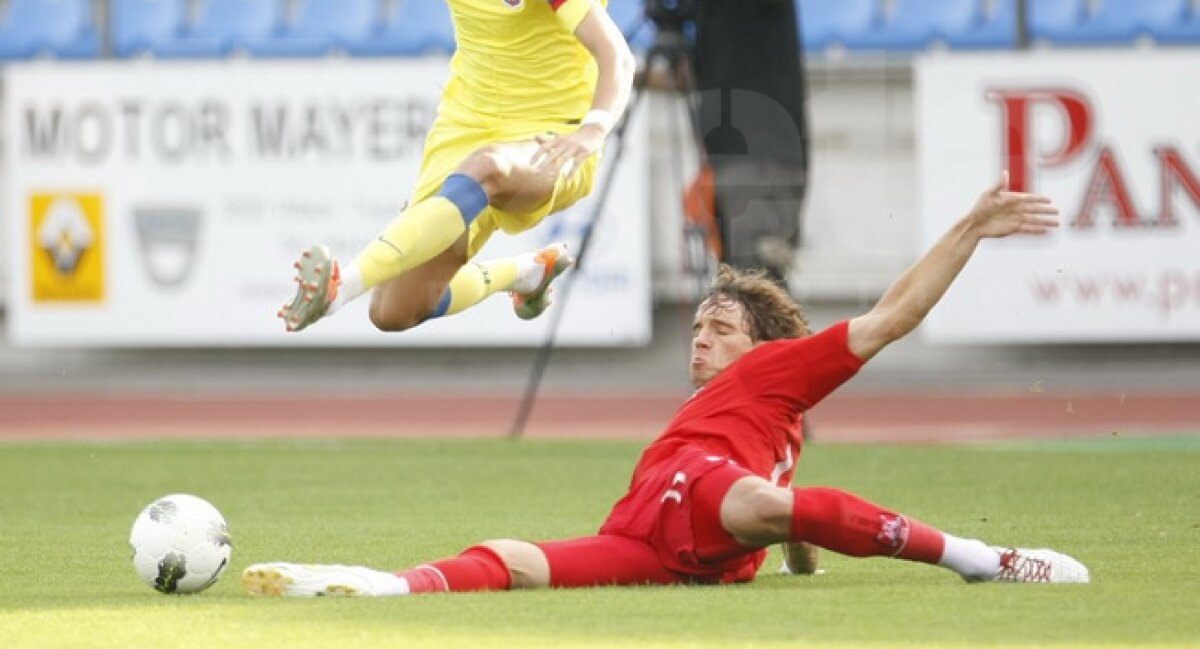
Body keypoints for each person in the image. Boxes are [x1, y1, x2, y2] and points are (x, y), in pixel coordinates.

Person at [240, 173, 1090, 598]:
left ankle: (987, 560)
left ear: (765, 345)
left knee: (758, 501)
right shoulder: (751, 414)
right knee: (518, 560)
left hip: (709, 504)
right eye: (697, 326)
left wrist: (968, 228)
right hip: (652, 533)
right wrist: (801, 563)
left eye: (720, 325)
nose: (701, 336)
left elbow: (892, 315)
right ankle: (383, 585)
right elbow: (788, 495)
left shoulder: (772, 374)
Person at [156, 0, 636, 334]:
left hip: (552, 137)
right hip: (466, 126)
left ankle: (340, 287)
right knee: (393, 312)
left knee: (490, 167)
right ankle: (527, 271)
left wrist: (593, 129)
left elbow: (615, 54)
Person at [644, 0, 808, 287]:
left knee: (761, 289)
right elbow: (694, 76)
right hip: (725, 159)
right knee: (739, 291)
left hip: (764, 158)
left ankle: (784, 354)